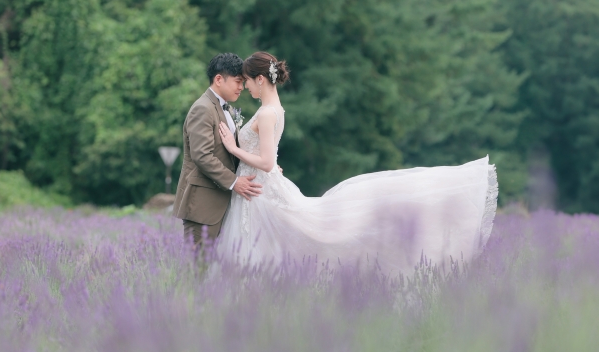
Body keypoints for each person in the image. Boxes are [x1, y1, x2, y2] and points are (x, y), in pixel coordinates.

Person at [216, 52, 497, 274]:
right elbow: (270, 157)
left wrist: (232, 147)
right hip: (260, 186)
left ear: (261, 79)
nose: (246, 86)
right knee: (270, 246)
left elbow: (265, 161)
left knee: (277, 244)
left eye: (248, 81)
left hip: (259, 188)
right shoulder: (276, 109)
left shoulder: (266, 113)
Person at [173, 53, 263, 247]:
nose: (242, 87)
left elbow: (234, 153)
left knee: (215, 272)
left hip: (223, 203)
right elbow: (202, 155)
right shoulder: (203, 108)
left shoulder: (226, 109)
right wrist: (234, 182)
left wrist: (264, 168)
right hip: (203, 205)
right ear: (219, 79)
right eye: (238, 81)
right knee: (198, 270)